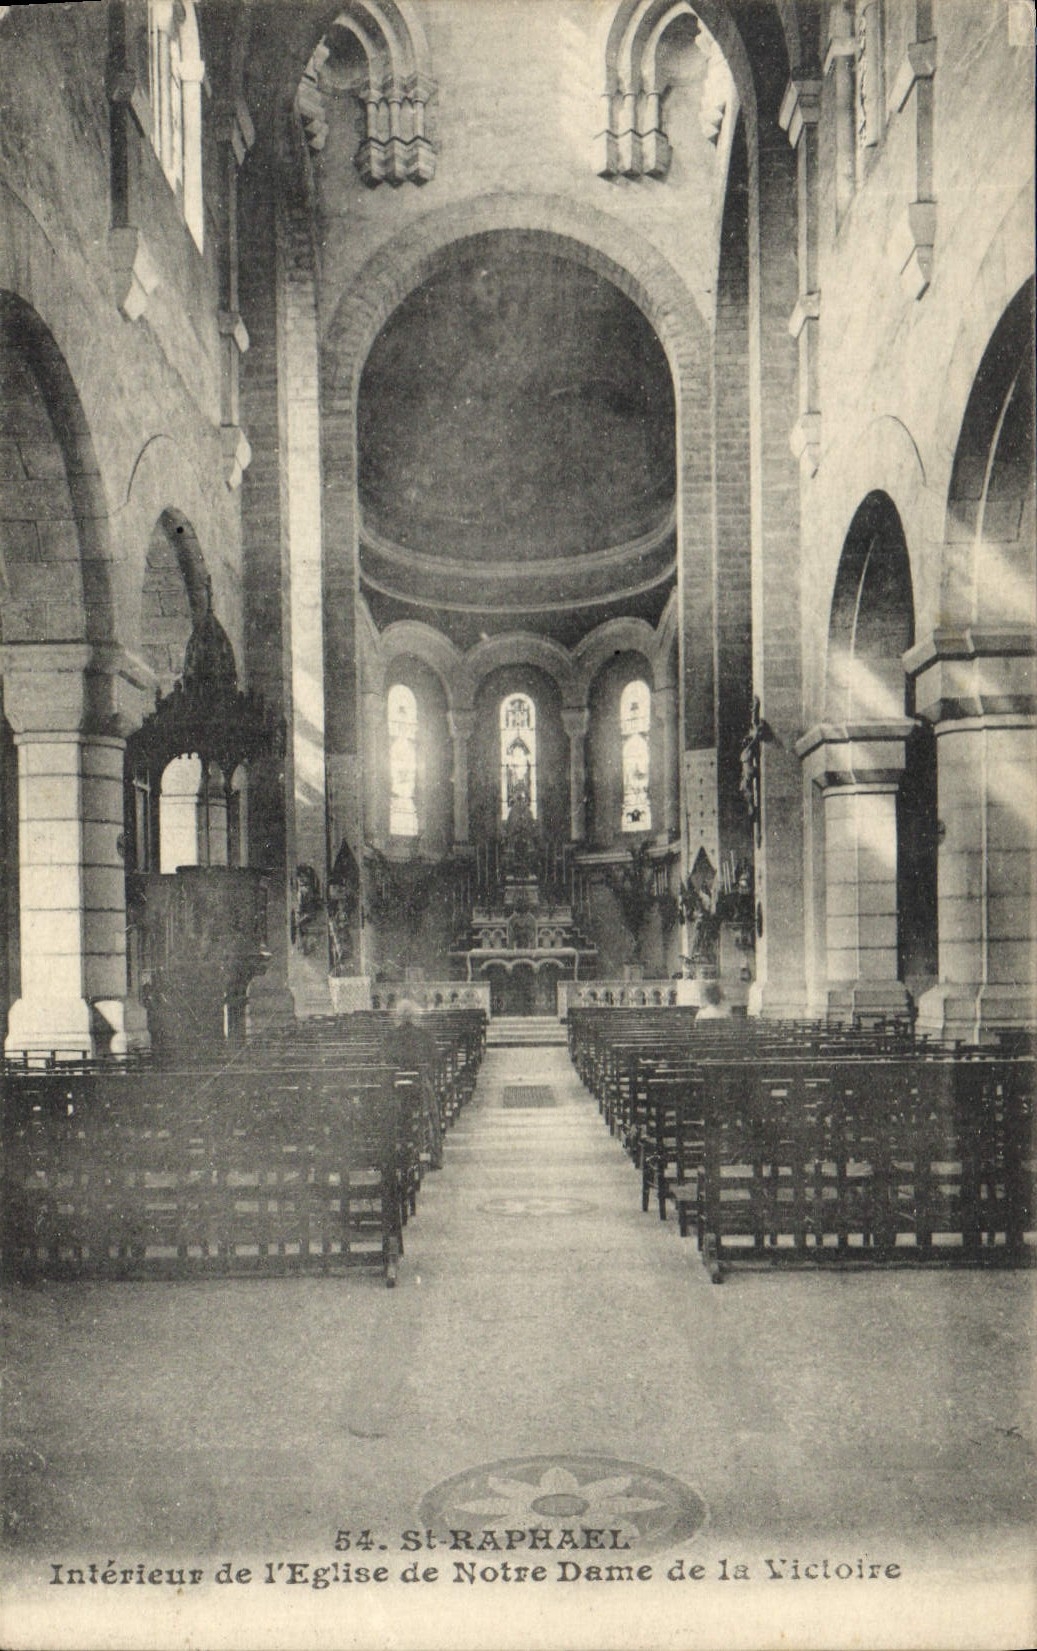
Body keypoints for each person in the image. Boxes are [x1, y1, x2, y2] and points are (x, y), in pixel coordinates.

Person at [386, 999, 443, 1167]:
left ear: (398, 1017)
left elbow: (381, 1058)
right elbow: (436, 1059)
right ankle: (436, 1155)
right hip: (419, 1089)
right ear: (415, 1016)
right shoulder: (424, 1035)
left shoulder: (390, 1036)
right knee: (432, 1113)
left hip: (394, 1088)